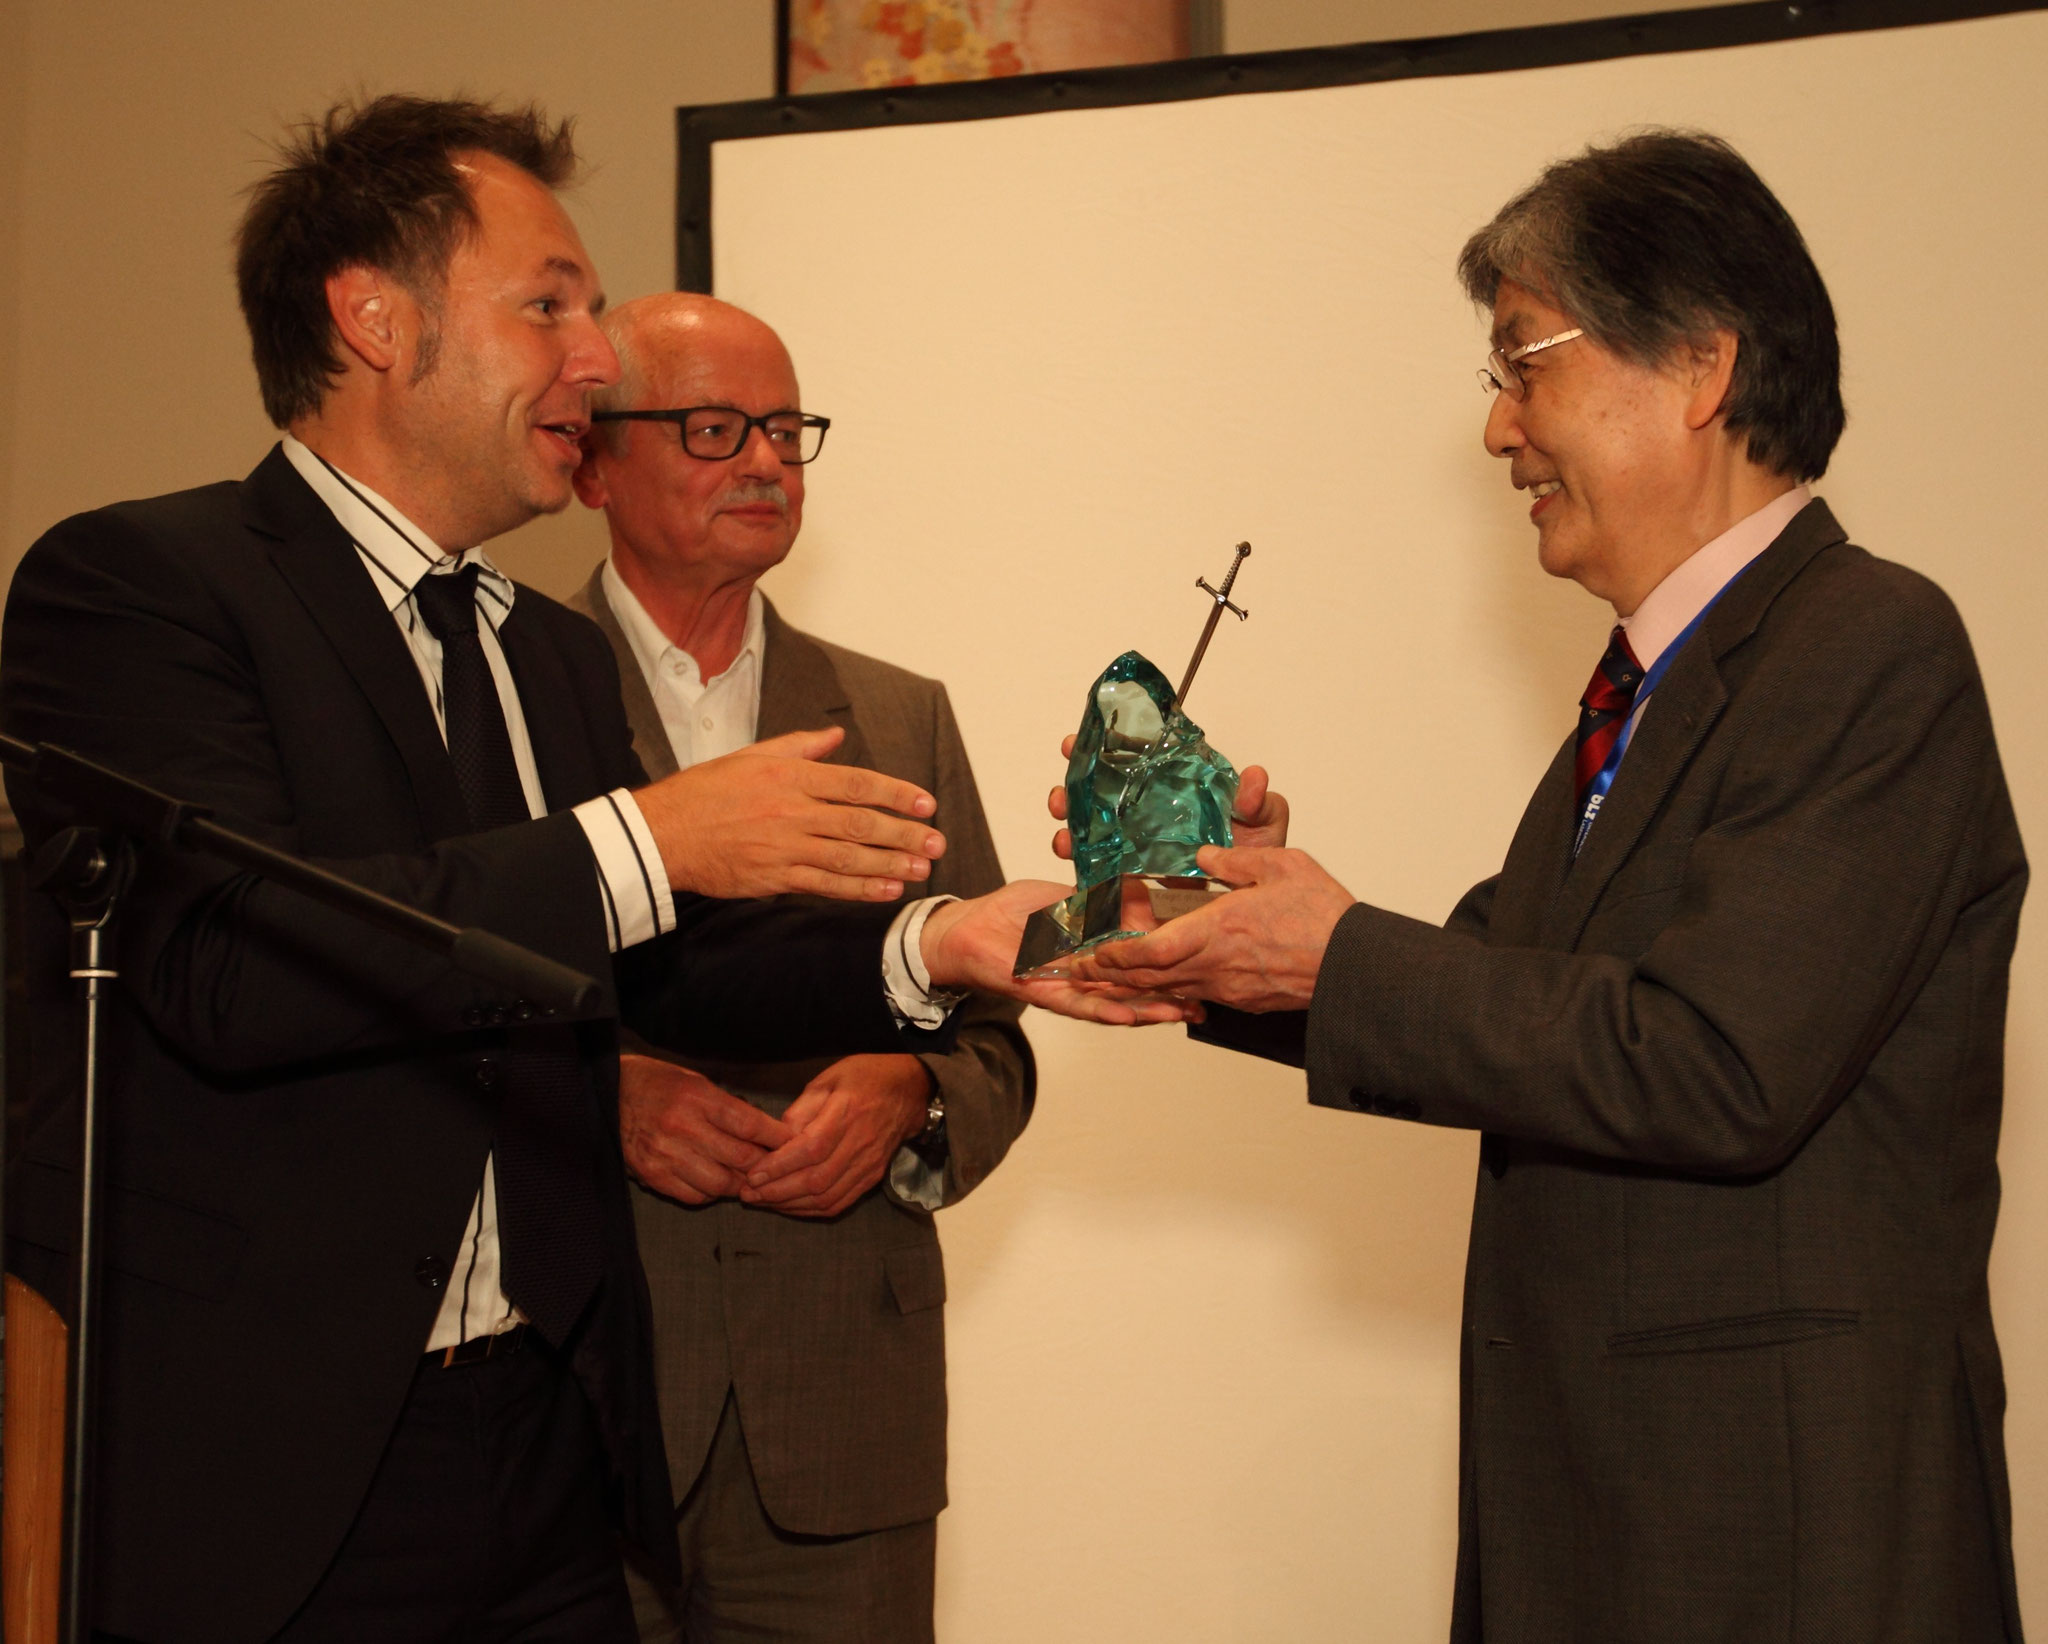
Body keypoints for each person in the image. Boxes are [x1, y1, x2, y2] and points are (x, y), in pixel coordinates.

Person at [0, 95, 1176, 1644]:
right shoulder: (144, 583)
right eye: (547, 303)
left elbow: (656, 966)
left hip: (548, 1453)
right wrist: (652, 839)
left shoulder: (538, 651)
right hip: (290, 1477)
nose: (598, 356)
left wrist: (936, 948)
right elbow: (235, 966)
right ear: (371, 318)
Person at [1071, 131, 2027, 1639]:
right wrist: (1202, 928)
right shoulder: (1648, 688)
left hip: (1779, 1543)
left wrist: (1332, 956)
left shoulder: (1868, 645)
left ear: (1701, 366)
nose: (1501, 431)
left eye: (1525, 362)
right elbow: (1509, 979)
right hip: (1608, 1525)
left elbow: (1715, 1061)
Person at [563, 292, 1030, 1640]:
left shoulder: (896, 716)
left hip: (843, 1417)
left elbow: (994, 1037)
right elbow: (441, 1012)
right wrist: (605, 1095)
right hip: (584, 1407)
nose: (766, 463)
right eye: (714, 428)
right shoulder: (517, 691)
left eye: (785, 430)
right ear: (596, 462)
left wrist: (914, 1094)